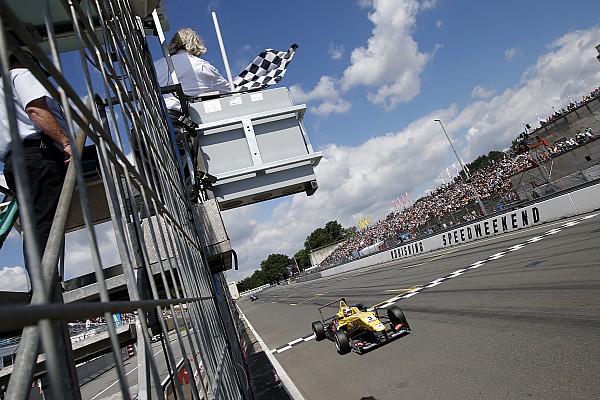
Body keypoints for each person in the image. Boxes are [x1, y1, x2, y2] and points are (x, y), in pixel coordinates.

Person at [0, 52, 72, 278]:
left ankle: (40, 285)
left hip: (14, 161)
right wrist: (67, 142)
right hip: (37, 154)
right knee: (46, 225)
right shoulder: (20, 74)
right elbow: (36, 110)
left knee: (35, 226)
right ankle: (47, 288)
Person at [154, 28, 231, 113]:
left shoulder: (155, 65)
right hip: (184, 119)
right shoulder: (201, 66)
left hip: (155, 118)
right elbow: (227, 92)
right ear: (196, 45)